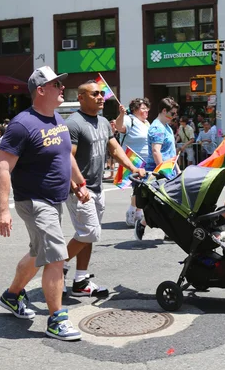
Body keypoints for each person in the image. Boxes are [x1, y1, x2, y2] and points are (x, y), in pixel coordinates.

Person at [0, 65, 89, 341]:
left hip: (54, 200)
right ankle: (56, 320)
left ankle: (11, 296)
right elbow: (3, 167)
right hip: (34, 201)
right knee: (57, 257)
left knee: (39, 254)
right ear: (41, 90)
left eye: (61, 84)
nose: (62, 88)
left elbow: (64, 157)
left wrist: (78, 184)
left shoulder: (57, 119)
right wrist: (3, 210)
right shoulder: (22, 125)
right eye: (56, 85)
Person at [64, 81, 146, 297]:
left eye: (102, 94)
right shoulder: (73, 123)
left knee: (87, 235)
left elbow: (115, 148)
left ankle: (80, 281)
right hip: (80, 190)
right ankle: (58, 265)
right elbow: (66, 159)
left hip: (97, 187)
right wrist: (75, 186)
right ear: (81, 97)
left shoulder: (102, 122)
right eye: (95, 94)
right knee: (89, 232)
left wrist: (132, 167)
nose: (101, 97)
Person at [134, 97, 179, 241]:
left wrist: (178, 170)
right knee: (161, 204)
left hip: (169, 170)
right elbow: (156, 151)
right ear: (164, 111)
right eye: (172, 113)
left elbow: (171, 153)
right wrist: (162, 173)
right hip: (159, 172)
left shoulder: (166, 127)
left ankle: (168, 231)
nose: (174, 116)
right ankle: (142, 223)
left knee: (168, 204)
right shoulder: (157, 127)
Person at [115, 97, 151, 226]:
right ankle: (131, 211)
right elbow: (119, 127)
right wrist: (121, 114)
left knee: (143, 189)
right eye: (143, 108)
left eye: (147, 108)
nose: (146, 110)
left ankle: (138, 211)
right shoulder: (130, 119)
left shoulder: (147, 123)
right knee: (138, 189)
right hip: (134, 161)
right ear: (135, 110)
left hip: (147, 162)